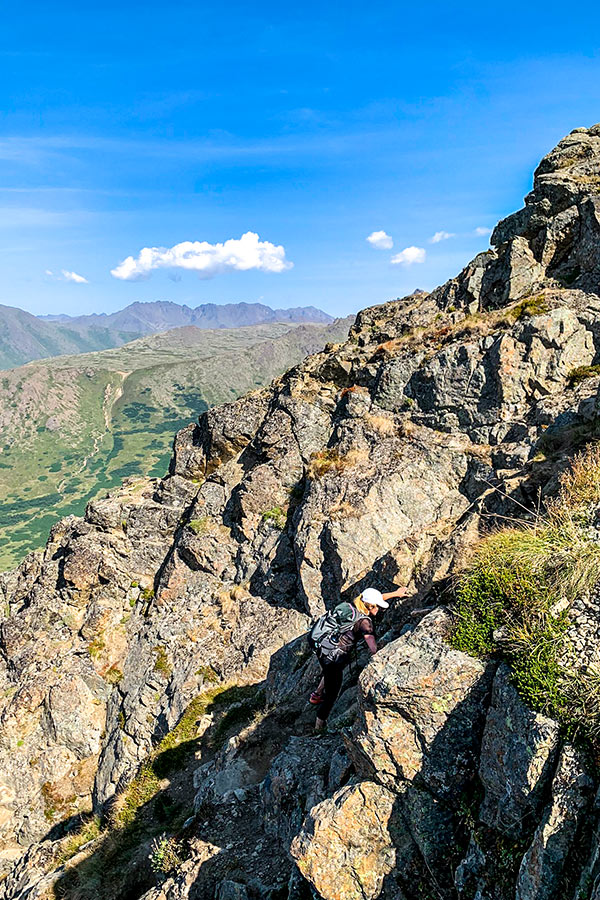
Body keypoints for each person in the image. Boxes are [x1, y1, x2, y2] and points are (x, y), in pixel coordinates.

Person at [309, 586, 407, 732]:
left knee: (329, 671)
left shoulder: (354, 605)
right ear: (370, 606)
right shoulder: (365, 623)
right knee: (332, 693)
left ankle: (316, 695)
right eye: (377, 607)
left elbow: (375, 598)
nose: (379, 610)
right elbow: (373, 649)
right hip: (332, 656)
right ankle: (318, 726)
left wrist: (396, 594)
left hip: (320, 644)